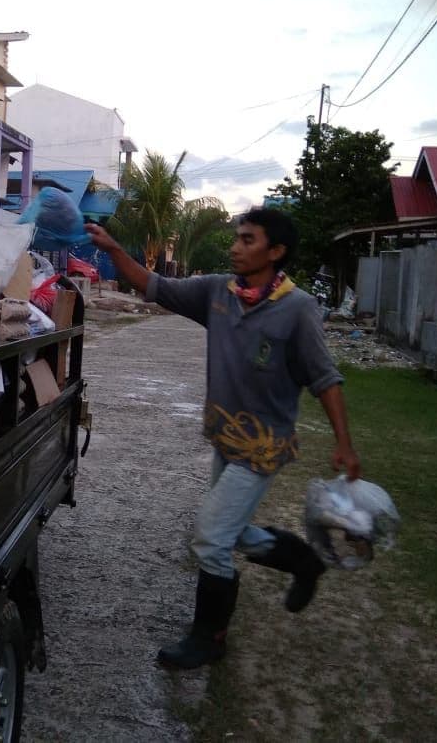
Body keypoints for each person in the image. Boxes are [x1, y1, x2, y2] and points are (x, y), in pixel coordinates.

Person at [84, 208, 361, 670]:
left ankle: (209, 637)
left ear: (275, 252)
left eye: (248, 240)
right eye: (236, 238)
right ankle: (303, 562)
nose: (235, 246)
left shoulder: (298, 308)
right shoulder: (218, 292)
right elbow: (150, 284)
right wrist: (113, 249)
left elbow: (325, 379)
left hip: (264, 444)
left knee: (211, 538)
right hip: (224, 438)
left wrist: (345, 444)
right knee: (231, 532)